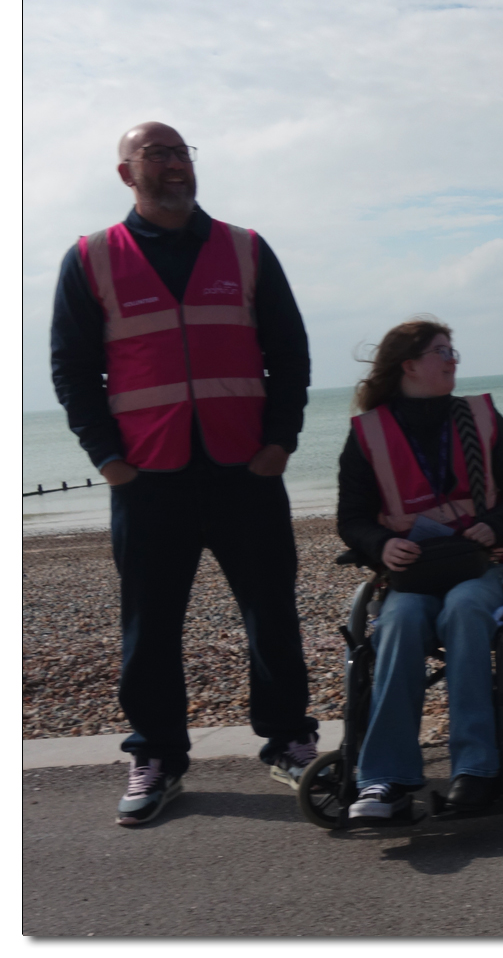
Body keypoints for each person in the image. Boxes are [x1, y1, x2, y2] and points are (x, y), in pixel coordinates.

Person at [50, 121, 318, 825]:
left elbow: (289, 352)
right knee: (149, 625)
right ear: (126, 173)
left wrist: (280, 442)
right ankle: (159, 756)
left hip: (245, 470)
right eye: (156, 154)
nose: (173, 164)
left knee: (271, 615)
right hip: (149, 477)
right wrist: (106, 458)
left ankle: (290, 740)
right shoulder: (90, 258)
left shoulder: (246, 248)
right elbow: (73, 370)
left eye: (181, 153)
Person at [337, 318, 503, 819]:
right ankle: (384, 779)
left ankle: (476, 769)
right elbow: (352, 518)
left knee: (465, 609)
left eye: (453, 351)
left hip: (481, 566)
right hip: (413, 573)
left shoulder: (482, 418)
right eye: (442, 351)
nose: (453, 360)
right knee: (399, 622)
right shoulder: (369, 434)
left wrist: (495, 525)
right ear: (409, 365)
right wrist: (381, 544)